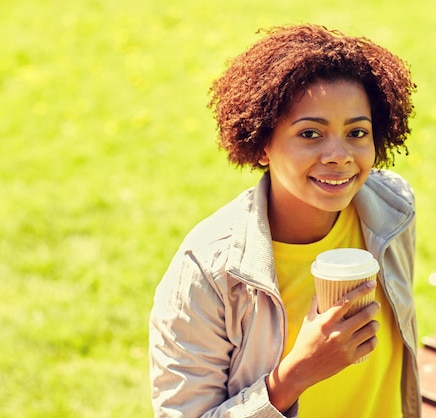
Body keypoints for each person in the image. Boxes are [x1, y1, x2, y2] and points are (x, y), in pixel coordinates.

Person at [149, 23, 420, 417]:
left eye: (357, 132)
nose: (339, 155)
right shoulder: (208, 271)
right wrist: (295, 375)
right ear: (261, 144)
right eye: (310, 133)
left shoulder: (391, 209)